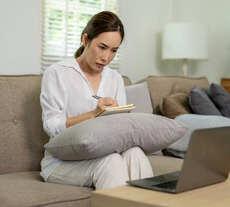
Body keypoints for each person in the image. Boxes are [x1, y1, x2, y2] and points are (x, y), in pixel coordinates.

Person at [39, 11, 153, 190]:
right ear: (85, 40)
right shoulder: (57, 73)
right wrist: (94, 114)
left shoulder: (115, 78)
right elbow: (52, 127)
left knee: (135, 153)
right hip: (63, 161)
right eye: (102, 47)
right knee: (112, 161)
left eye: (113, 50)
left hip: (103, 152)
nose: (106, 57)